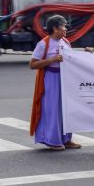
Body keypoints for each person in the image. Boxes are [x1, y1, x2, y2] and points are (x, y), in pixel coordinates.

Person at [29, 15, 80, 151]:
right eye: (63, 26)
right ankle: (52, 140)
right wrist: (52, 60)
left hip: (65, 79)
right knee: (53, 110)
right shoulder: (43, 44)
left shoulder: (65, 42)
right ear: (55, 28)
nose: (65, 29)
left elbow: (71, 58)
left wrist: (85, 54)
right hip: (51, 78)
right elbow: (33, 65)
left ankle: (66, 139)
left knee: (66, 110)